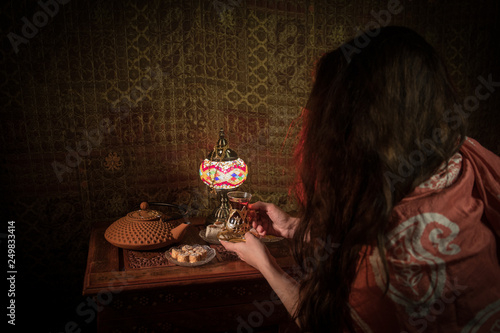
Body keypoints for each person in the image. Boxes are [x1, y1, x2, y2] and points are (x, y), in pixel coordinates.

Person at [221, 26, 500, 332]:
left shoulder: (381, 272)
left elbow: (321, 324)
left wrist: (265, 264)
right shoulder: (464, 155)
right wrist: (293, 227)